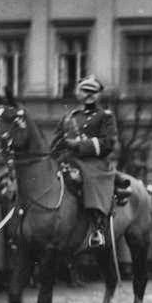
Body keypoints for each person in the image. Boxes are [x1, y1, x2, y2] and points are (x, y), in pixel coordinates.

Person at [50, 75, 118, 248]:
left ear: (98, 94)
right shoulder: (69, 117)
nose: (88, 95)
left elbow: (108, 143)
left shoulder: (105, 116)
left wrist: (80, 145)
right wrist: (57, 149)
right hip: (67, 159)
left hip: (93, 162)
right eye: (85, 91)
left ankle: (97, 226)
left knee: (90, 179)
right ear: (78, 93)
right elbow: (56, 141)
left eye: (92, 92)